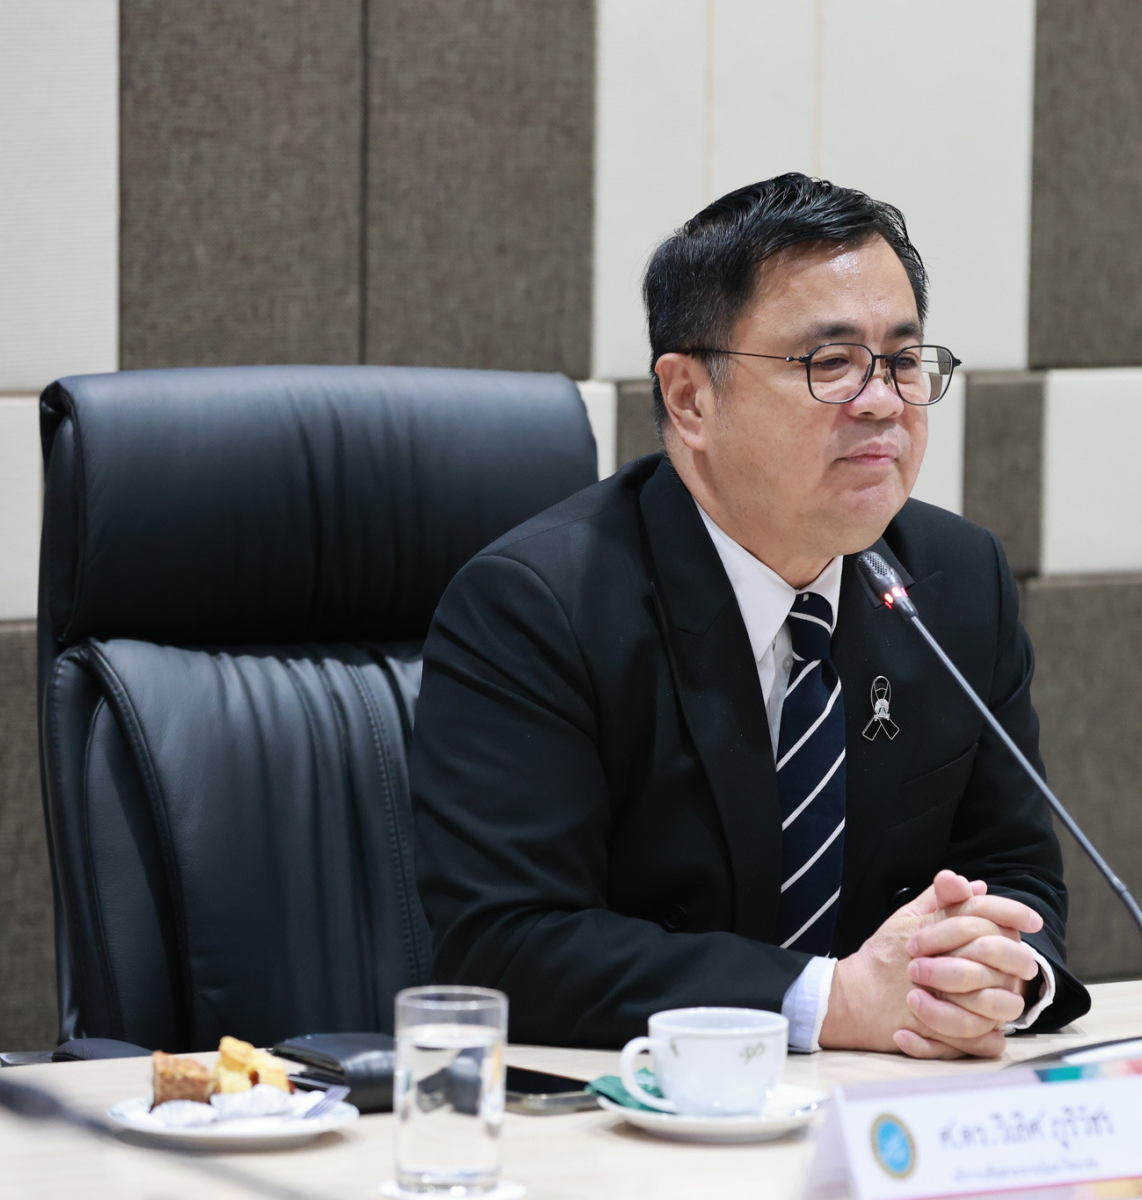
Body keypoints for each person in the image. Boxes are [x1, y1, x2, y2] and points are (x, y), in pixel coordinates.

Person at [411, 173, 1091, 1058]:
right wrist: (830, 1001)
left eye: (901, 361)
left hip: (889, 1102)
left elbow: (1015, 870)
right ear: (691, 399)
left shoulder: (955, 580)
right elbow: (508, 946)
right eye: (830, 363)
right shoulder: (536, 608)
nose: (883, 401)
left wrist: (995, 973)